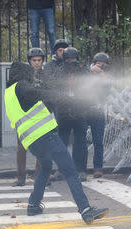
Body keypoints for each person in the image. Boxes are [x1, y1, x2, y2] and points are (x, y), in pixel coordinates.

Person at [4, 62, 108, 224]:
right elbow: (34, 92)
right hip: (46, 136)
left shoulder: (8, 93)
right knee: (71, 171)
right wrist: (58, 95)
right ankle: (85, 209)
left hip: (31, 141)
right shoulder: (22, 86)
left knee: (45, 167)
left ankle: (33, 205)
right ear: (24, 73)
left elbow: (32, 104)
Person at [15, 48, 48, 186]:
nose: (36, 63)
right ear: (29, 61)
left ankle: (39, 176)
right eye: (34, 60)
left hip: (40, 114)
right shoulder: (22, 75)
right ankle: (21, 177)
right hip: (24, 114)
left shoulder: (46, 75)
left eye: (39, 60)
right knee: (22, 147)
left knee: (41, 147)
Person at [56, 47, 89, 181]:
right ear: (64, 61)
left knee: (80, 140)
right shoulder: (60, 72)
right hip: (64, 109)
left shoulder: (83, 71)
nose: (71, 62)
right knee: (61, 141)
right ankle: (61, 169)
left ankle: (81, 169)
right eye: (68, 60)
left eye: (73, 60)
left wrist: (80, 70)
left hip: (79, 109)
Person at [87, 53, 112, 178]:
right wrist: (91, 72)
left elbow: (108, 90)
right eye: (99, 64)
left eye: (104, 65)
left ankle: (98, 167)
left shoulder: (106, 76)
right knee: (80, 139)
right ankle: (79, 167)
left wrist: (102, 75)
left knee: (98, 140)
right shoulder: (86, 72)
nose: (101, 66)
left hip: (99, 109)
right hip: (85, 108)